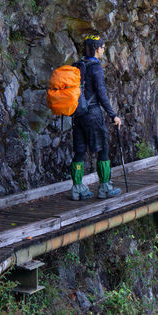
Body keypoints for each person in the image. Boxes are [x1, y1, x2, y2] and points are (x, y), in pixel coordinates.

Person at [69, 34, 123, 200]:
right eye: (103, 47)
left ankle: (77, 188)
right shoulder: (96, 68)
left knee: (79, 151)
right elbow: (101, 94)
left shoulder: (77, 65)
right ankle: (105, 187)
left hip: (77, 115)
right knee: (103, 149)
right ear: (97, 49)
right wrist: (113, 114)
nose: (103, 50)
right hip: (93, 114)